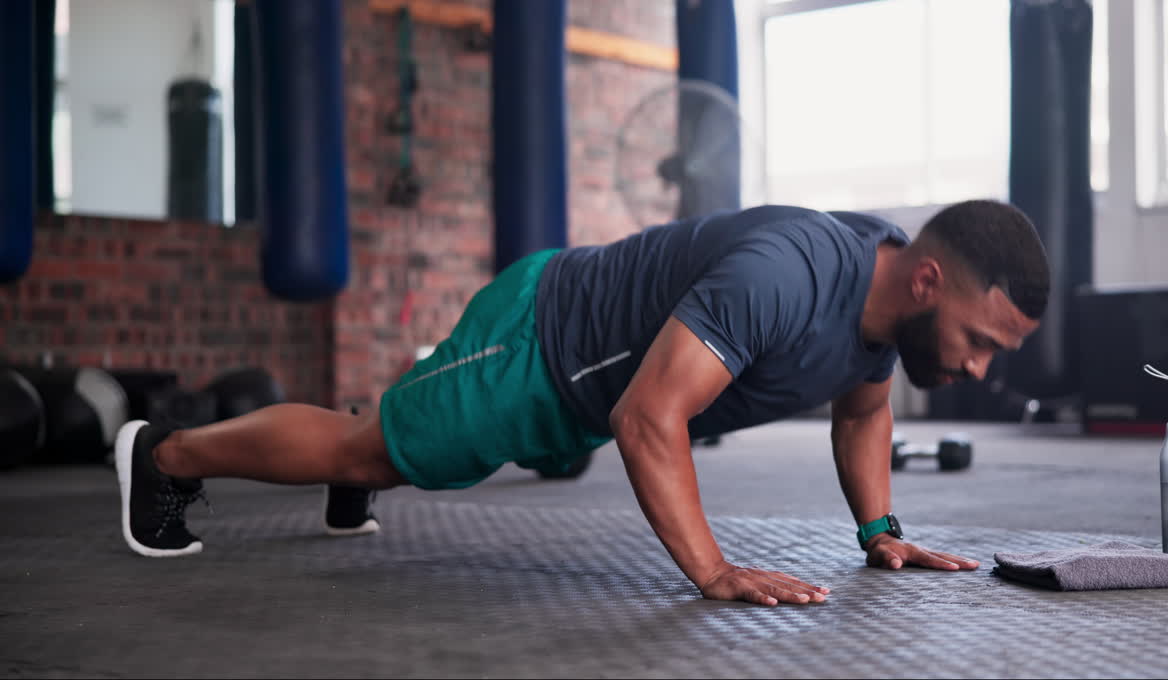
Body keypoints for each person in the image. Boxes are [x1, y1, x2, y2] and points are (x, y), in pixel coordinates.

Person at [115, 199, 1049, 607]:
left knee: (393, 440)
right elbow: (649, 420)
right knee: (373, 453)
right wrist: (714, 571)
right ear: (928, 281)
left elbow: (864, 412)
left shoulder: (882, 311)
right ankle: (163, 455)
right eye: (979, 341)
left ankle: (377, 438)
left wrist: (879, 530)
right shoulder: (789, 277)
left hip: (592, 393)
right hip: (544, 344)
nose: (976, 370)